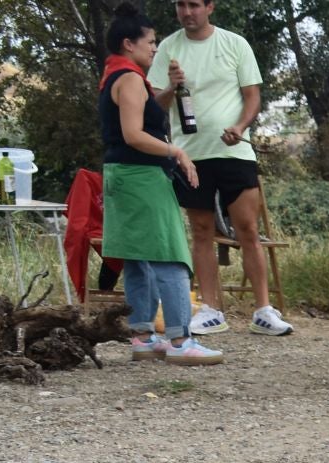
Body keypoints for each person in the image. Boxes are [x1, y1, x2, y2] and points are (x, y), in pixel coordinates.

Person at [148, 0, 293, 337]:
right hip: (190, 154)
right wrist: (170, 86)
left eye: (194, 5)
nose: (187, 12)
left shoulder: (234, 43)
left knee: (247, 229)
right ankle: (211, 309)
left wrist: (240, 127)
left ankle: (263, 310)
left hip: (235, 151)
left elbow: (253, 96)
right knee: (201, 231)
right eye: (181, 5)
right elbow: (154, 106)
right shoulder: (168, 47)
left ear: (210, 7)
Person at [100, 2, 223, 365]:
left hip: (119, 174)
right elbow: (134, 134)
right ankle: (180, 339)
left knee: (137, 257)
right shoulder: (130, 79)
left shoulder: (114, 75)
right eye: (150, 41)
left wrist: (170, 88)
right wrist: (177, 153)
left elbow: (144, 114)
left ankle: (142, 335)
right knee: (171, 256)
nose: (155, 48)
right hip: (141, 176)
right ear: (129, 43)